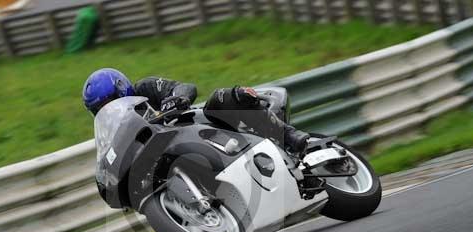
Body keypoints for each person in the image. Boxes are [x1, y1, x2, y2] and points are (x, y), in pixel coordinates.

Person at [82, 68, 309, 154]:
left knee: (219, 98)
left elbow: (184, 87)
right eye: (99, 109)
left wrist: (175, 100)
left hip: (198, 125)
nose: (107, 109)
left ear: (121, 89)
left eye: (109, 102)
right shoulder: (119, 130)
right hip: (176, 150)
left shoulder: (146, 88)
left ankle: (287, 134)